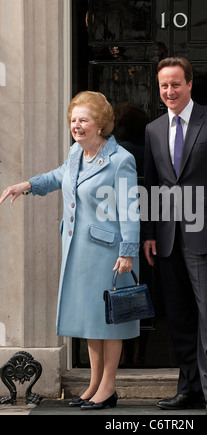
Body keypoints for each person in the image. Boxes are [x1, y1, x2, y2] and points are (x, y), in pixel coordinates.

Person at [0, 91, 140, 411]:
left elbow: (131, 210)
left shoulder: (121, 160)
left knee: (110, 322)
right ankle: (94, 383)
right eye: (73, 120)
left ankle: (108, 387)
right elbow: (57, 177)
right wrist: (28, 185)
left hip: (109, 254)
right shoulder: (77, 153)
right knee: (91, 321)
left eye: (84, 120)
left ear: (100, 124)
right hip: (79, 251)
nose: (77, 126)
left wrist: (128, 251)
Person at [143, 58, 207, 415]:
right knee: (180, 317)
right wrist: (150, 233)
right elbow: (152, 186)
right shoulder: (154, 129)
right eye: (163, 87)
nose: (169, 91)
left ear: (189, 85)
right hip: (168, 237)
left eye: (175, 84)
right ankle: (189, 389)